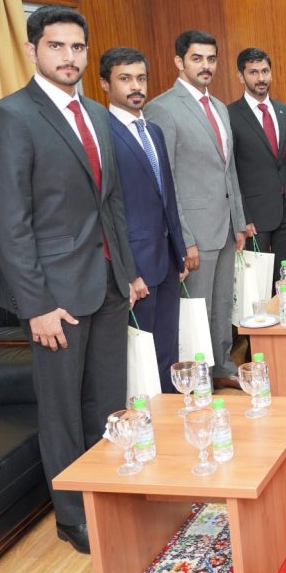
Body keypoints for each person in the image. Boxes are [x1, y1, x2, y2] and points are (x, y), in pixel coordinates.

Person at [0, 5, 137, 554]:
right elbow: (9, 224)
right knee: (64, 412)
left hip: (108, 285)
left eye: (77, 47)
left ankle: (108, 495)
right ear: (32, 50)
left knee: (107, 403)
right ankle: (74, 516)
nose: (69, 57)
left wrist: (128, 273)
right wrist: (36, 305)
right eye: (56, 46)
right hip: (56, 298)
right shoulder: (9, 117)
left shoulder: (96, 113)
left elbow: (111, 202)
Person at [146, 30, 250, 388]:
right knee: (197, 310)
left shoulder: (219, 107)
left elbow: (229, 169)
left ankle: (222, 367)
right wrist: (184, 239)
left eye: (211, 59)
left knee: (222, 306)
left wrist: (239, 222)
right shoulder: (162, 108)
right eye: (197, 58)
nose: (206, 66)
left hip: (225, 227)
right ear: (179, 61)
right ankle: (197, 376)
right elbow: (166, 180)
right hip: (194, 231)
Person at [100, 47, 188, 394]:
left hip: (166, 259)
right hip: (136, 266)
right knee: (141, 354)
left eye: (141, 78)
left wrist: (179, 251)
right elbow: (109, 210)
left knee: (168, 347)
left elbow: (168, 197)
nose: (136, 86)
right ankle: (146, 416)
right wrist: (128, 272)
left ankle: (171, 411)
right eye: (125, 79)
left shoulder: (153, 131)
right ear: (105, 84)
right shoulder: (104, 134)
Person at [227, 48, 286, 269]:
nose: (261, 78)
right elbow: (231, 172)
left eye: (265, 71)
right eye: (253, 72)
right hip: (254, 217)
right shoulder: (229, 115)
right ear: (241, 76)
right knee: (257, 282)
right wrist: (242, 217)